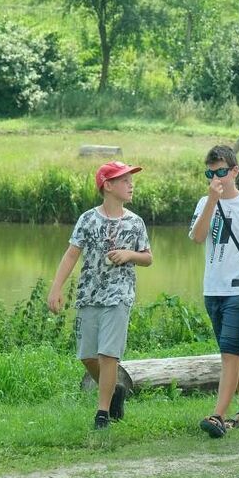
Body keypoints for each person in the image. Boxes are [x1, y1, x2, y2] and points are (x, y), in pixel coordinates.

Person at [48, 161, 153, 430]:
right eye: (124, 180)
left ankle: (102, 413)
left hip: (119, 296)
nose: (131, 185)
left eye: (131, 180)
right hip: (88, 295)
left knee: (109, 355)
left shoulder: (135, 222)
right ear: (107, 186)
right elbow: (72, 253)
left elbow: (148, 258)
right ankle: (116, 389)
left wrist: (130, 255)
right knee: (87, 355)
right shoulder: (87, 219)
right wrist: (56, 288)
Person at [190, 145, 239, 436]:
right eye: (211, 173)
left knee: (229, 351)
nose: (217, 178)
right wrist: (211, 200)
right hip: (213, 288)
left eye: (222, 171)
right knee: (233, 349)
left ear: (235, 171)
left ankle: (218, 415)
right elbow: (197, 237)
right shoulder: (204, 202)